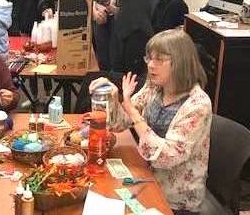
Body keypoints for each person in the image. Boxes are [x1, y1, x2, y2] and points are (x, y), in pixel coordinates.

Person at [89, 29, 212, 215]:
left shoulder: (198, 104)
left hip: (175, 199)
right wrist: (112, 95)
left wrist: (133, 112)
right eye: (149, 58)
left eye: (159, 60)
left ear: (181, 63)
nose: (151, 66)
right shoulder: (155, 87)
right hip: (147, 176)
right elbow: (120, 123)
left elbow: (166, 157)